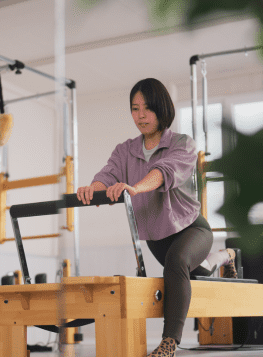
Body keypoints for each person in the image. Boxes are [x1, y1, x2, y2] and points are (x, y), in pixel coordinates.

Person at [77, 78, 232, 357]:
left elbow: (164, 172)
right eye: (135, 109)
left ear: (162, 109)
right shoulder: (125, 150)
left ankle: (169, 342)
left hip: (191, 229)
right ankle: (227, 255)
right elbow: (108, 175)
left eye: (147, 108)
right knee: (200, 273)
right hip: (157, 237)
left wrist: (135, 187)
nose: (141, 115)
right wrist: (93, 189)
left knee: (177, 263)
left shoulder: (183, 144)